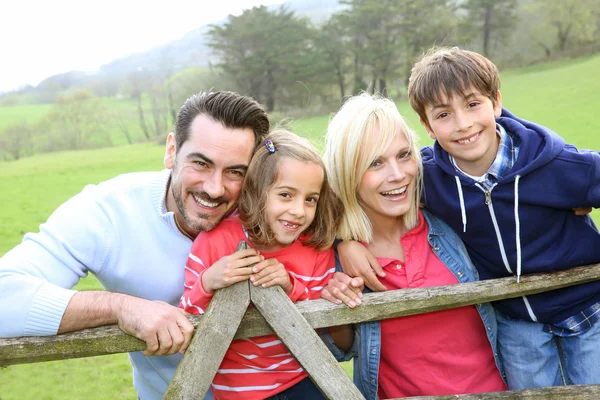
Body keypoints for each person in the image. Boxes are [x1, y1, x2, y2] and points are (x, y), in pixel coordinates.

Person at [340, 47, 600, 390]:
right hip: (517, 323)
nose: (463, 124)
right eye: (444, 114)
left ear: (496, 102)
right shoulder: (426, 179)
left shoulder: (553, 165)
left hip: (584, 309)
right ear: (427, 125)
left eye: (473, 104)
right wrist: (343, 241)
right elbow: (338, 192)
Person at [0, 91, 271, 399]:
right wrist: (123, 307)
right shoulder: (109, 211)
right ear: (171, 151)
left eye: (235, 172)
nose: (214, 188)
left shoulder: (275, 210)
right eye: (201, 163)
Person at [320, 93, 507, 399]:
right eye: (375, 163)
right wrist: (337, 301)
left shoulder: (450, 221)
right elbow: (344, 349)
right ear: (348, 174)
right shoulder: (338, 259)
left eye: (404, 155)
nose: (398, 174)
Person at [179, 129, 345, 399]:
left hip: (307, 378)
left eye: (310, 199)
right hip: (239, 392)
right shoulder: (215, 241)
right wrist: (208, 282)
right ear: (258, 191)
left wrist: (290, 286)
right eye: (286, 195)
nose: (299, 211)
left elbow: (322, 324)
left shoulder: (314, 247)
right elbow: (186, 325)